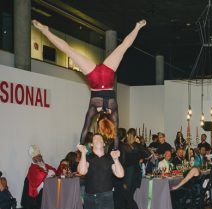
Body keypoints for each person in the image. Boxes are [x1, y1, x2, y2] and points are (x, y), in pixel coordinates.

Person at [32, 19, 146, 150]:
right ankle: (45, 31)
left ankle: (137, 27)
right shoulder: (93, 109)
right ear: (98, 121)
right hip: (94, 78)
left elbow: (115, 136)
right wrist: (80, 144)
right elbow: (85, 128)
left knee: (123, 47)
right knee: (69, 51)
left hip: (107, 74)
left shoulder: (113, 111)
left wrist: (115, 150)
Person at [22, 145, 56, 209]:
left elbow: (54, 170)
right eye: (38, 156)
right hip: (34, 186)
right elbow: (39, 176)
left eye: (41, 156)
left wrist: (48, 172)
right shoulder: (33, 167)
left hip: (44, 184)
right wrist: (46, 173)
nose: (41, 158)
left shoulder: (43, 164)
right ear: (33, 158)